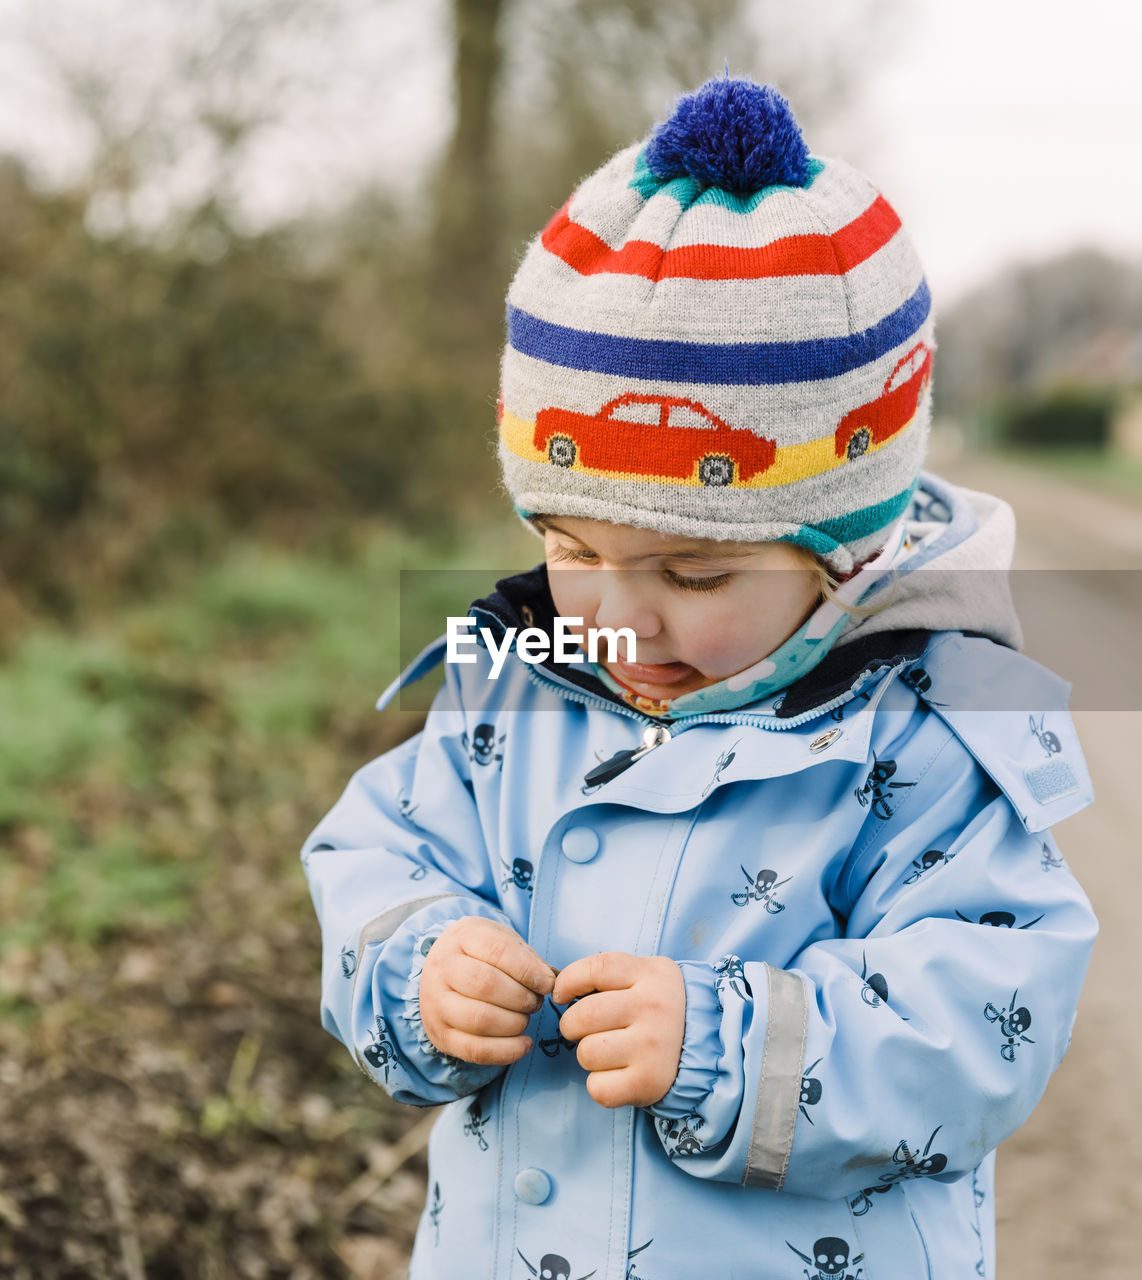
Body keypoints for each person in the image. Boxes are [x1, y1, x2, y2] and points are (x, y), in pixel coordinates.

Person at [302, 78, 1097, 1279]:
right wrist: (418, 964)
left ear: (843, 551)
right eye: (573, 551)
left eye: (694, 571)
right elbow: (373, 854)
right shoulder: (518, 682)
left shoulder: (927, 729)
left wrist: (736, 1047)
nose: (620, 613)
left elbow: (993, 1002)